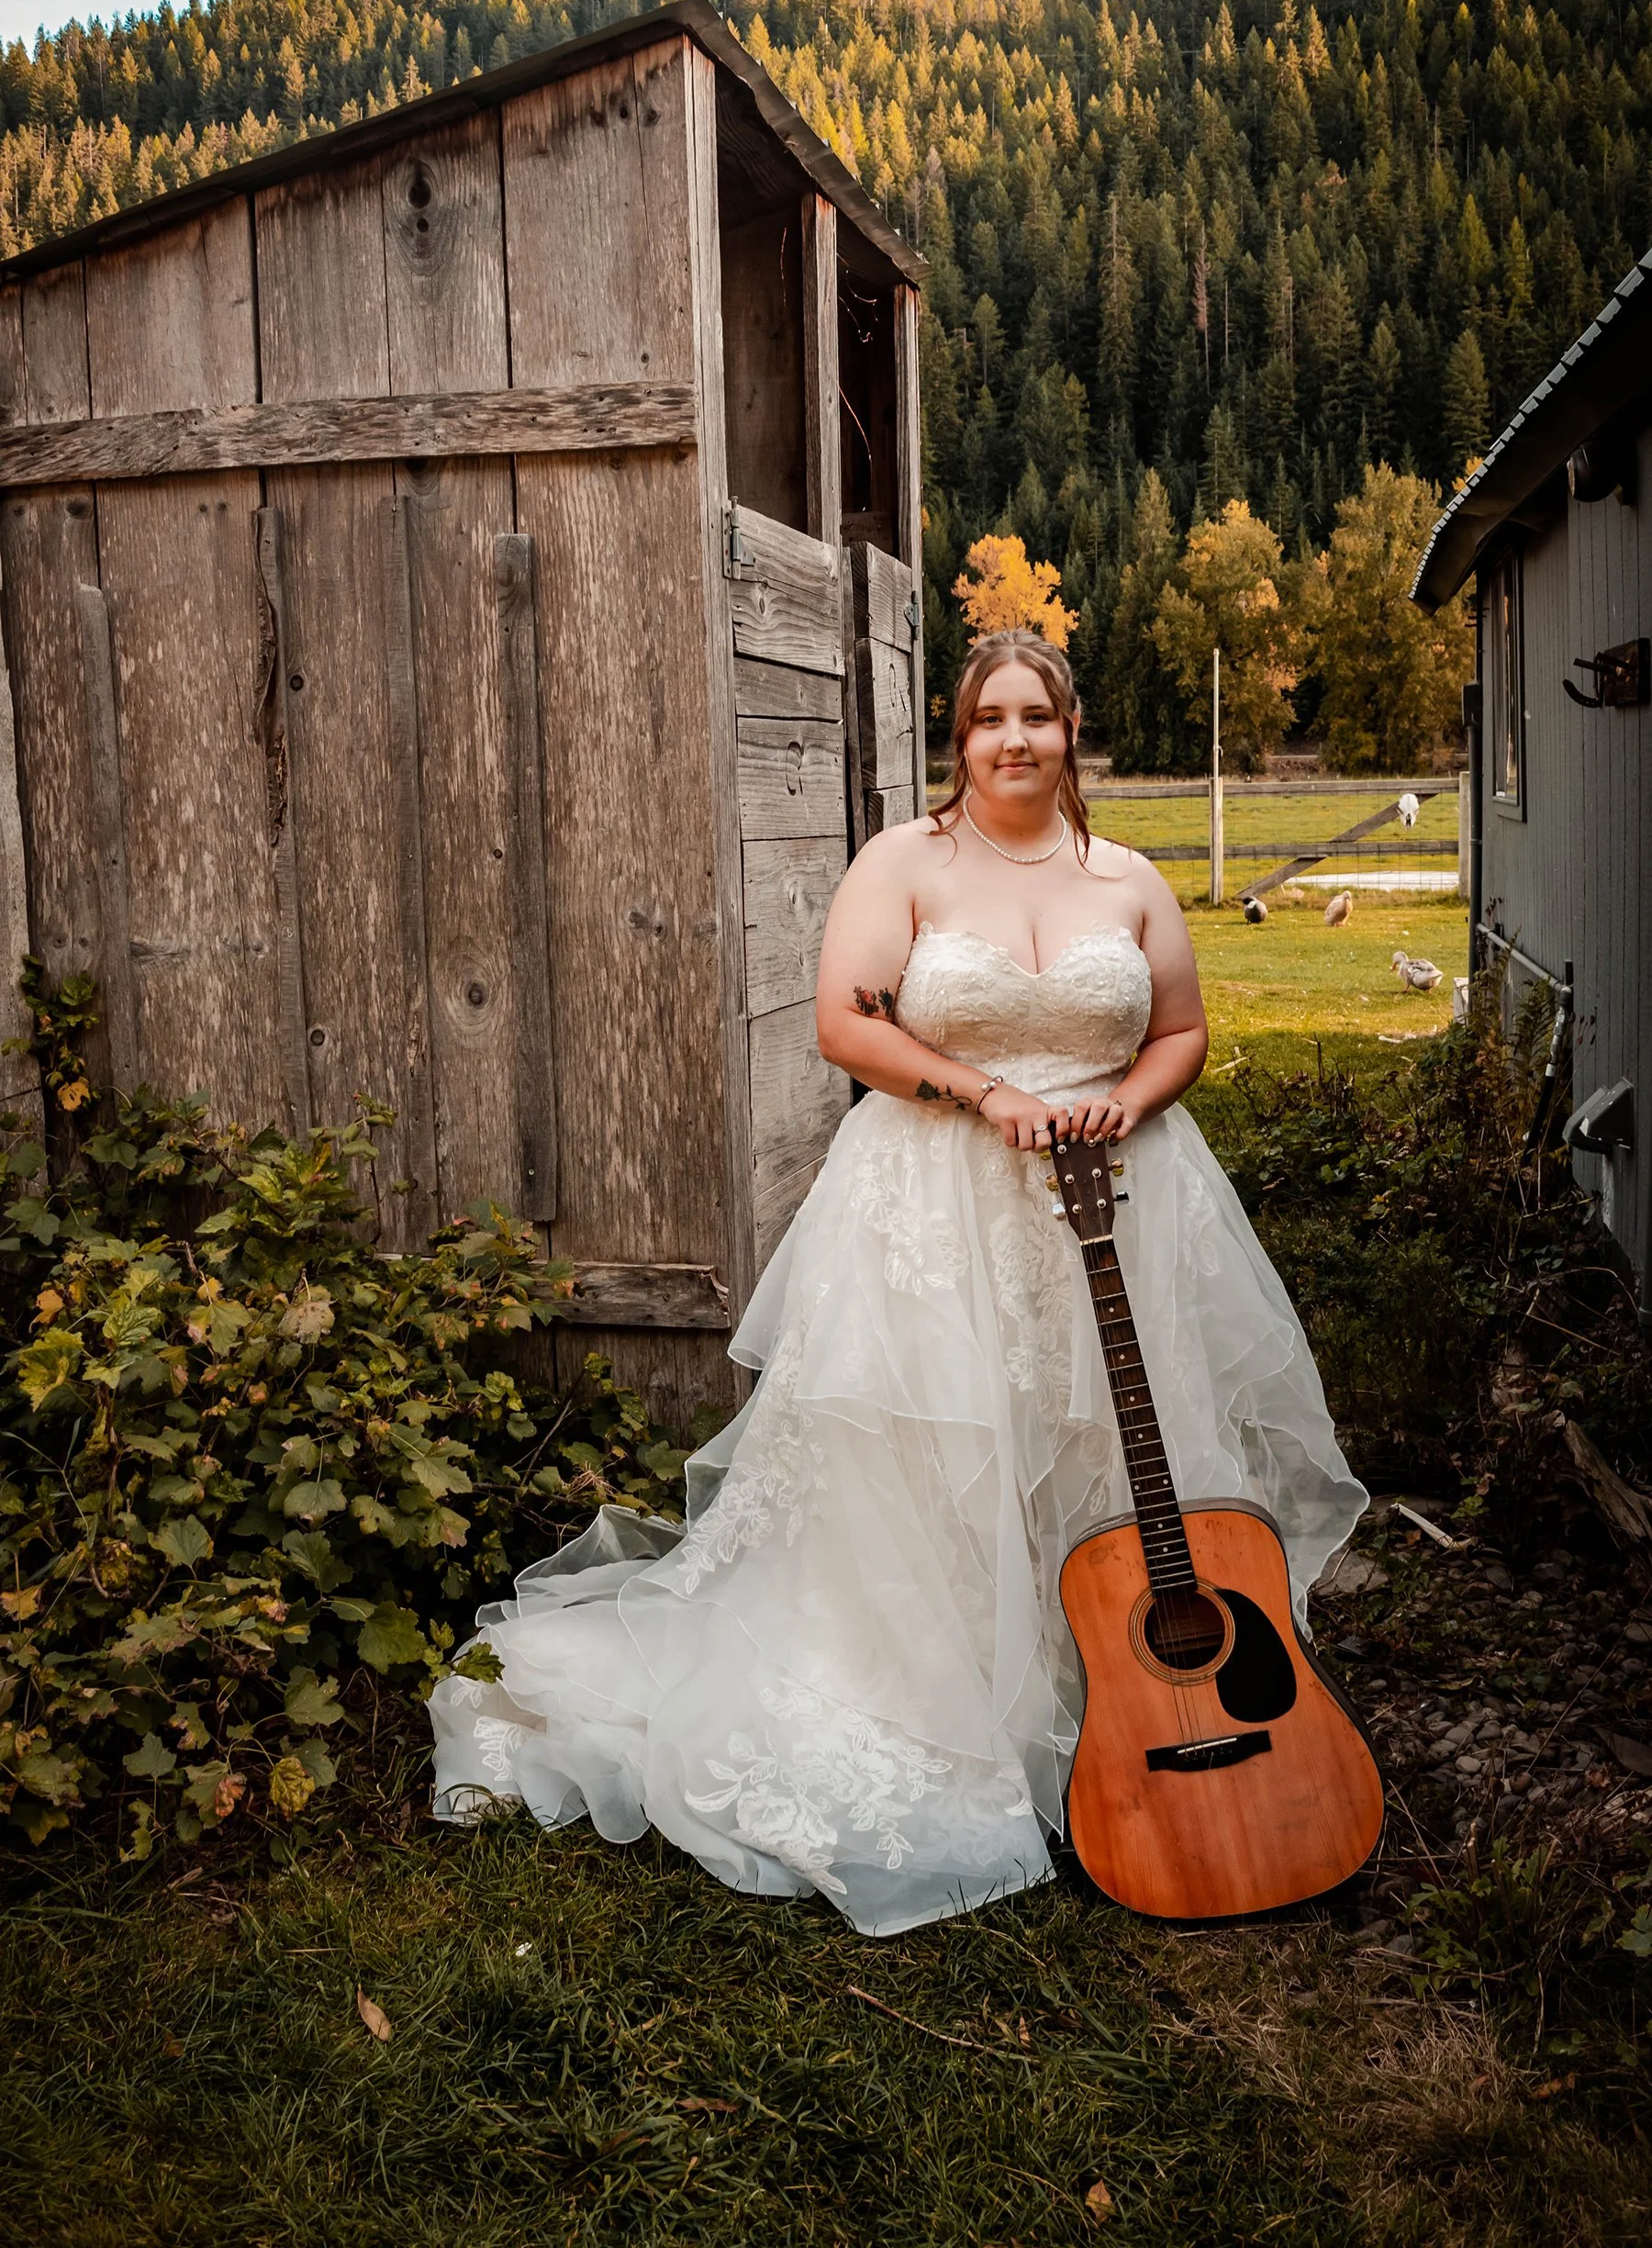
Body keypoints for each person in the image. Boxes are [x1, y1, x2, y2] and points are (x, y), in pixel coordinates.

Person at [428, 629, 1366, 1934]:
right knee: (937, 1450)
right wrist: (987, 1094)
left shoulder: (1130, 879)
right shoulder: (904, 865)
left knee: (1105, 1433)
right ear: (960, 735)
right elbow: (846, 1023)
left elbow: (1183, 1031)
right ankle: (947, 1701)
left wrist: (1122, 1105)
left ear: (1072, 729)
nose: (1017, 740)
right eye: (992, 719)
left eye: (1039, 715)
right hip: (937, 1198)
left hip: (1117, 1202)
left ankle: (1117, 1687)